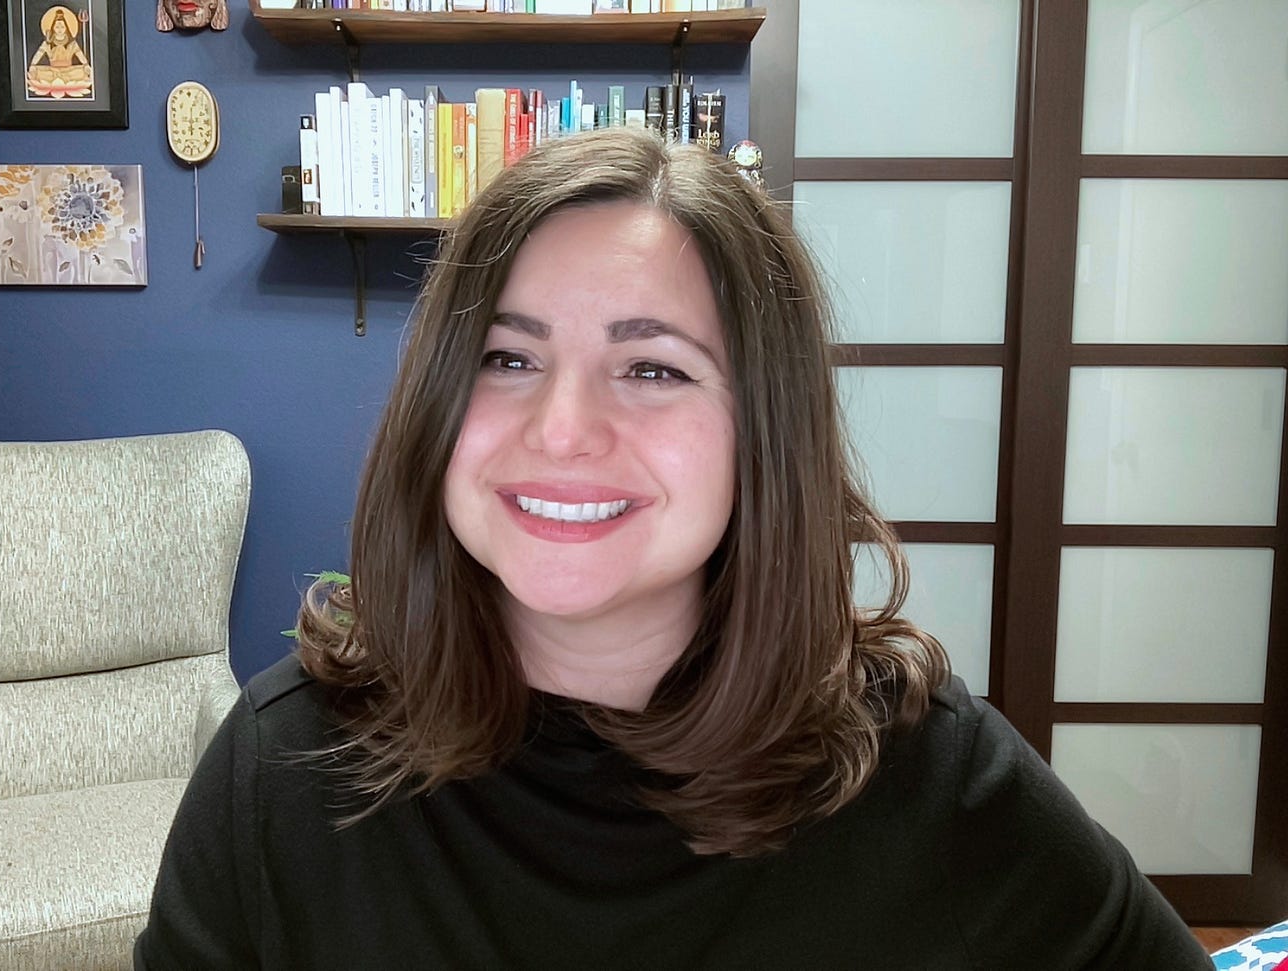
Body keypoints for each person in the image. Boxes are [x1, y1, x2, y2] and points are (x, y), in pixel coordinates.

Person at [135, 127, 1210, 969]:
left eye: (652, 368)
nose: (559, 429)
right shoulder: (285, 766)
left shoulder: (929, 775)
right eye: (507, 357)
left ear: (763, 433)